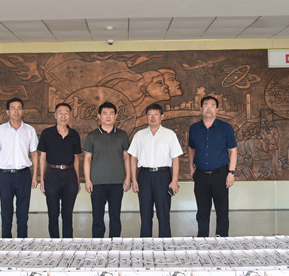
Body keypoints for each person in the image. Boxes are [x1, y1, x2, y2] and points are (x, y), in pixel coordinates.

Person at [128, 103, 183, 237]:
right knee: (145, 214)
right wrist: (134, 180)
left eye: (156, 114)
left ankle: (165, 245)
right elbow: (133, 158)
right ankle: (145, 245)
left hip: (163, 176)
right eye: (150, 115)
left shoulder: (170, 135)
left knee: (163, 214)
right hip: (144, 176)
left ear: (162, 116)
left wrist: (174, 181)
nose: (153, 118)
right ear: (146, 117)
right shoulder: (139, 135)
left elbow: (175, 159)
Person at [187, 96, 238, 237]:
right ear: (201, 108)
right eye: (206, 105)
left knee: (222, 211)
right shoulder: (194, 128)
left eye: (212, 106)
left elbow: (233, 150)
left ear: (217, 109)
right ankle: (202, 240)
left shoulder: (226, 128)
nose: (209, 108)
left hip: (220, 175)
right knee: (202, 212)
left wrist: (231, 173)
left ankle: (221, 241)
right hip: (201, 175)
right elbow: (191, 148)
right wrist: (191, 167)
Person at [0, 97, 39, 238]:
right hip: (5, 176)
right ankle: (6, 244)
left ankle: (22, 244)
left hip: (24, 175)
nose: (16, 111)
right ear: (7, 112)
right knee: (6, 213)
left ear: (22, 111)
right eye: (13, 108)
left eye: (19, 108)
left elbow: (34, 154)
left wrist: (35, 176)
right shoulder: (0, 130)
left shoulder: (29, 130)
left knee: (23, 213)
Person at [83, 102, 131, 238]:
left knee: (115, 216)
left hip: (117, 182)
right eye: (105, 113)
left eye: (111, 113)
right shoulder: (92, 136)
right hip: (97, 182)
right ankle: (98, 244)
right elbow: (87, 159)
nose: (108, 116)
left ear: (116, 116)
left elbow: (126, 157)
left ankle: (115, 243)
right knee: (97, 217)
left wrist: (128, 178)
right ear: (99, 116)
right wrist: (88, 180)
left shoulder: (122, 135)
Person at [38, 102, 82, 238]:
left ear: (70, 116)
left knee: (68, 214)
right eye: (60, 113)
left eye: (66, 113)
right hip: (52, 175)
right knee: (53, 214)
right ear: (55, 115)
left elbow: (76, 158)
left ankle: (68, 244)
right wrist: (42, 180)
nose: (63, 116)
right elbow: (42, 158)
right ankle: (54, 243)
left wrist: (77, 180)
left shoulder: (74, 134)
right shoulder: (47, 133)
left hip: (70, 175)